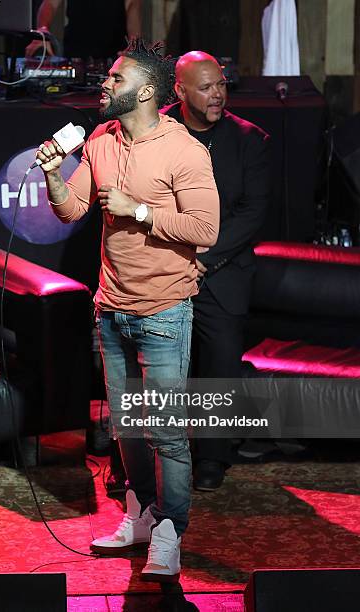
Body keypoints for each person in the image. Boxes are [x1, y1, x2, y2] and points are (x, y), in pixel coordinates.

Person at [36, 38, 219, 581]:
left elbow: (206, 231)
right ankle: (140, 515)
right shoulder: (100, 141)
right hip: (111, 309)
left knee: (164, 430)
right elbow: (70, 209)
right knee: (128, 429)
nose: (105, 85)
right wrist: (51, 173)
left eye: (115, 79)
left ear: (144, 91)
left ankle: (170, 532)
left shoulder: (184, 149)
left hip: (164, 309)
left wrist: (140, 210)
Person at [164, 51, 270, 490]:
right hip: (165, 267)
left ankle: (212, 455)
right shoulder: (156, 130)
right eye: (205, 87)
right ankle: (147, 455)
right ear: (180, 90)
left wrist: (204, 259)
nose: (217, 95)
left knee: (220, 362)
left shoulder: (250, 139)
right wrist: (177, 260)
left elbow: (252, 212)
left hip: (221, 272)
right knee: (158, 366)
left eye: (221, 85)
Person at [26, 0, 142, 58]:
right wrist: (42, 31)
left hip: (113, 56)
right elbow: (49, 4)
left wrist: (133, 45)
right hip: (75, 54)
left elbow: (133, 9)